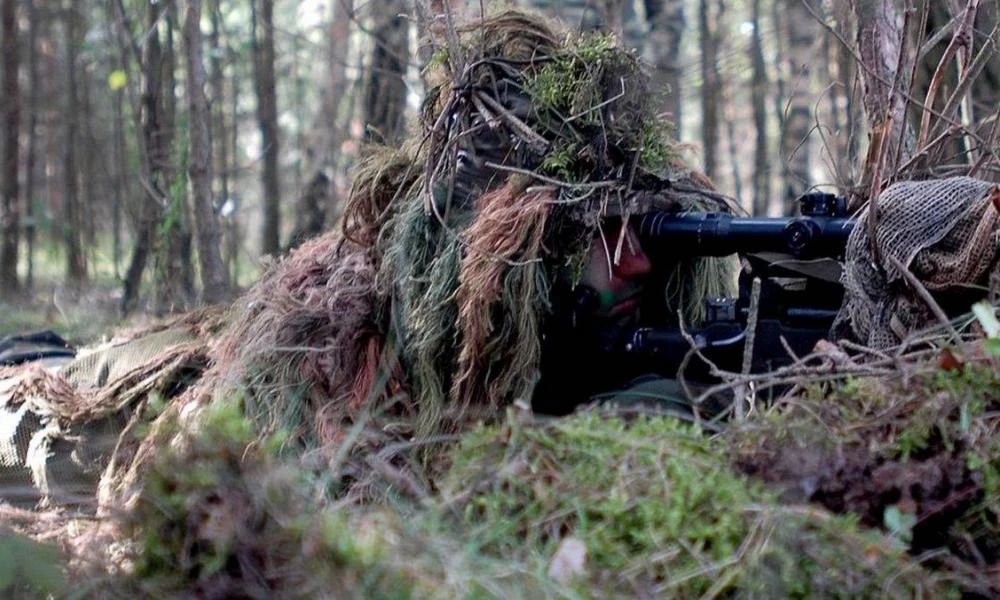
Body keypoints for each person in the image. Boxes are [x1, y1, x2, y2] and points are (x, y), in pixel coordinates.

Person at [0, 9, 737, 507]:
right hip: (261, 354)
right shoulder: (405, 318)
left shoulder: (641, 332)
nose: (639, 264)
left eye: (647, 233)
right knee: (77, 412)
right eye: (605, 238)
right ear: (513, 259)